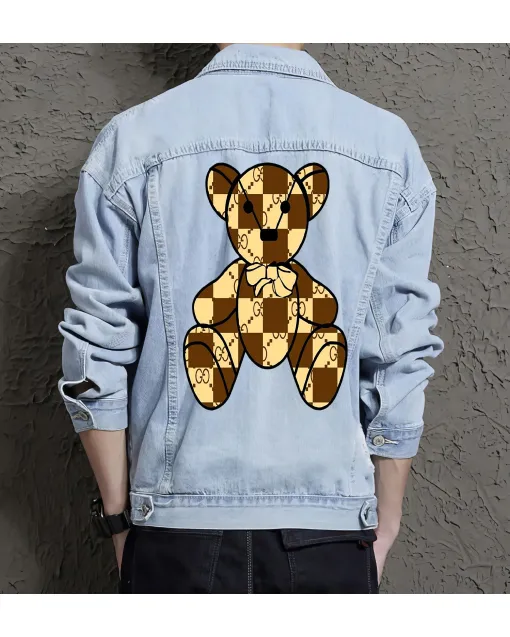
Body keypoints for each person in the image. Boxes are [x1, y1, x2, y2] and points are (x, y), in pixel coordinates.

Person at [58, 43, 444, 594]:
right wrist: (385, 522)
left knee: (302, 330)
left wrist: (121, 522)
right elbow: (399, 354)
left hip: (175, 524)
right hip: (329, 525)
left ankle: (281, 353)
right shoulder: (386, 147)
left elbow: (95, 347)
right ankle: (231, 353)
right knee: (246, 328)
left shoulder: (134, 142)